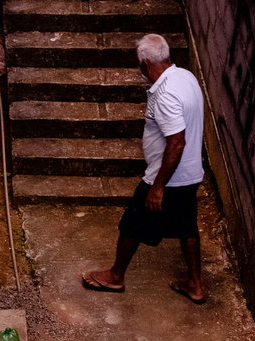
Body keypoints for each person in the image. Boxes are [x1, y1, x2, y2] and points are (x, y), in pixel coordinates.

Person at [81, 33, 206, 303]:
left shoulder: (164, 94)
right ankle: (195, 285)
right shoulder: (186, 77)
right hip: (192, 174)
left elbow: (176, 143)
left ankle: (115, 277)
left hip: (167, 178)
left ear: (144, 63)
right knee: (187, 227)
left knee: (132, 224)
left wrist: (157, 188)